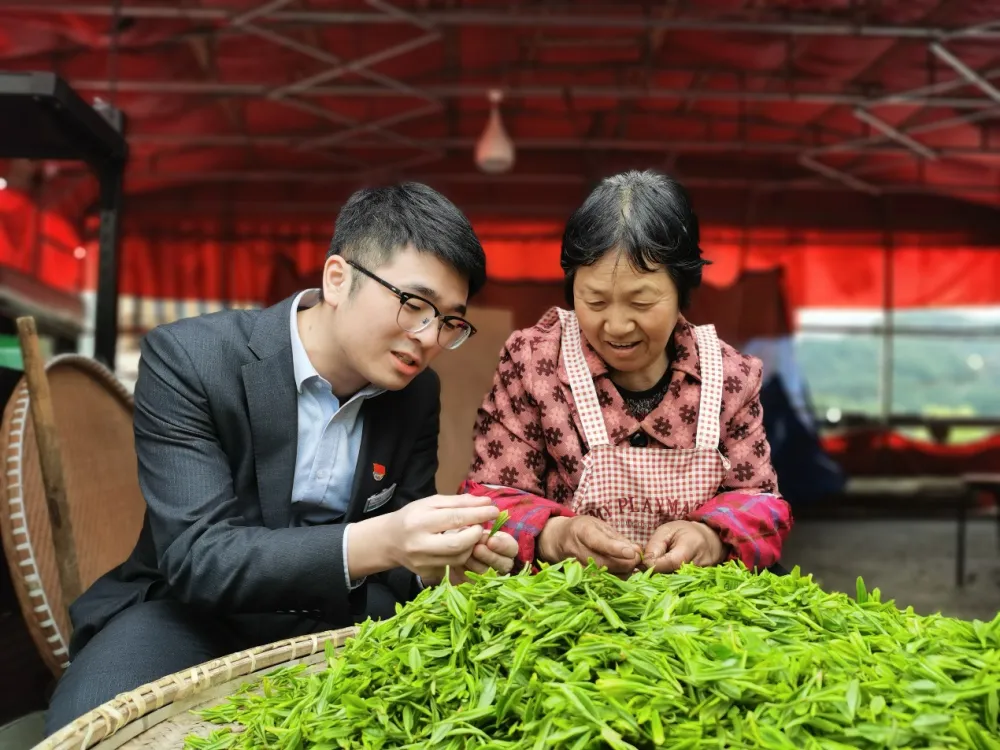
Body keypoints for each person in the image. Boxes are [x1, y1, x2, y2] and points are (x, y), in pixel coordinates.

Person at [45, 183, 519, 734]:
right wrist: (386, 539)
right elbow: (199, 556)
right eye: (414, 305)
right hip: (189, 611)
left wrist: (439, 565)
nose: (429, 336)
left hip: (344, 613)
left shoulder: (416, 394)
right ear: (337, 279)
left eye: (450, 321)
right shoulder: (191, 359)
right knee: (92, 723)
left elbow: (401, 554)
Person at [463, 169, 792, 576]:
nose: (617, 326)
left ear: (680, 293)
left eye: (641, 302)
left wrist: (709, 538)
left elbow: (761, 502)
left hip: (695, 617)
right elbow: (490, 499)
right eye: (595, 302)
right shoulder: (533, 364)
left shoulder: (730, 376)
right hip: (566, 606)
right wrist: (556, 535)